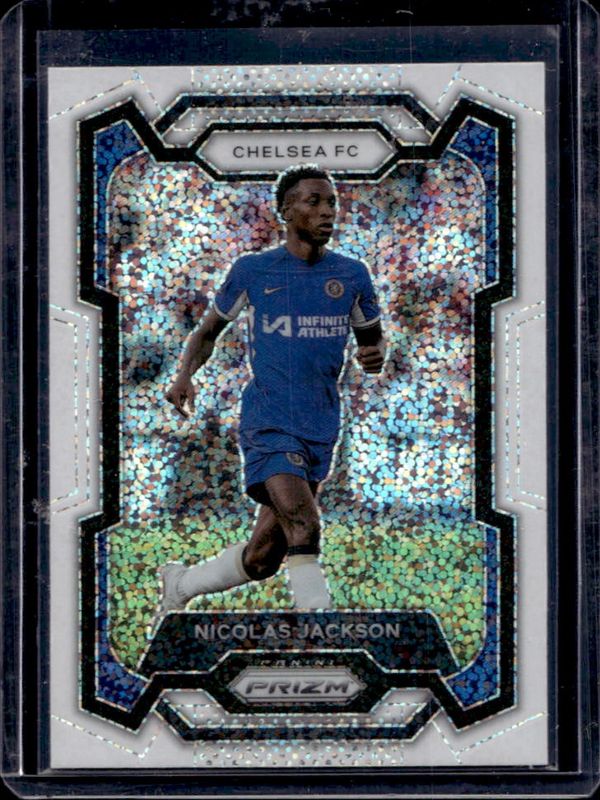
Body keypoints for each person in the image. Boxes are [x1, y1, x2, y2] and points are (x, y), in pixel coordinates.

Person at [160, 164, 384, 615]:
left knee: (263, 557)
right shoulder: (254, 271)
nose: (327, 211)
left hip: (321, 425)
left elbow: (372, 339)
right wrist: (184, 375)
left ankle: (181, 585)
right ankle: (318, 622)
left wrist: (374, 354)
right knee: (305, 525)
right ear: (286, 211)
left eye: (331, 202)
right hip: (270, 422)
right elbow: (208, 332)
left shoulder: (352, 275)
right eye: (314, 202)